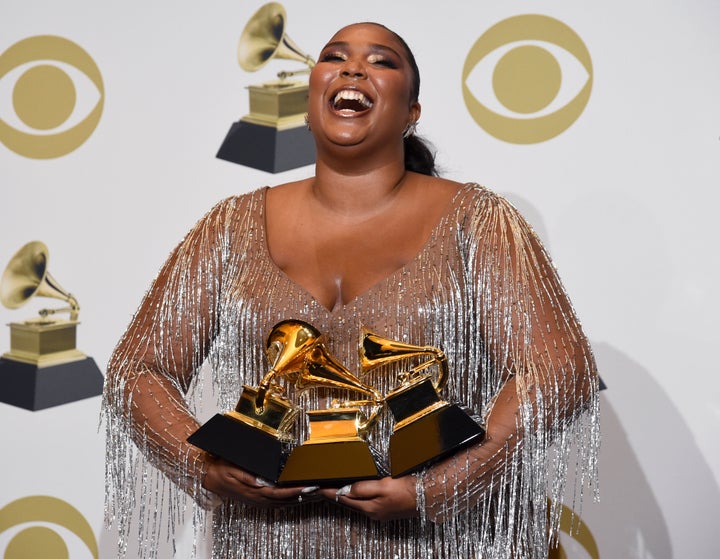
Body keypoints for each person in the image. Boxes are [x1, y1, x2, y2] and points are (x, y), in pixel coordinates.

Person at [103, 21, 599, 559]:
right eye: (334, 56)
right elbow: (137, 371)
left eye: (382, 61)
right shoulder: (229, 226)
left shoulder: (477, 219)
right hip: (270, 543)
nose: (353, 67)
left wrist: (442, 487)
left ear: (412, 112)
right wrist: (204, 466)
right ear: (311, 95)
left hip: (451, 543)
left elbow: (560, 369)